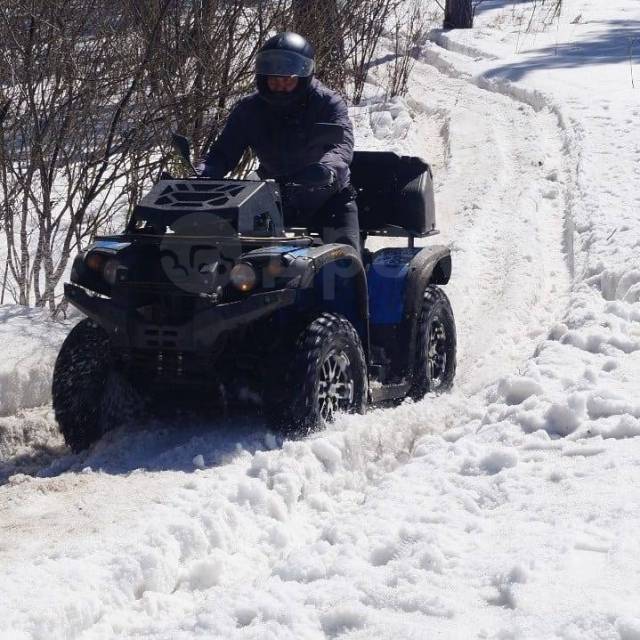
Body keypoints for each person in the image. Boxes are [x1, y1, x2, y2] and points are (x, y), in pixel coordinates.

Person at [201, 32, 360, 252]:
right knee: (248, 258)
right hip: (271, 199)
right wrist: (204, 173)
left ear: (302, 77)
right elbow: (223, 152)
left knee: (344, 266)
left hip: (327, 198)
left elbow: (341, 146)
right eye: (274, 80)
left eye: (287, 80)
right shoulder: (249, 109)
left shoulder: (327, 104)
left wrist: (326, 169)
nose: (279, 86)